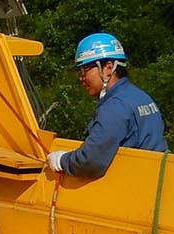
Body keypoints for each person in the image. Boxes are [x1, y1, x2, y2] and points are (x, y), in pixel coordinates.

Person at [47, 32, 167, 178]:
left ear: (108, 68)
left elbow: (90, 161)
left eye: (85, 70)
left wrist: (63, 161)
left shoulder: (115, 107)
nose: (81, 78)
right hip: (154, 180)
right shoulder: (140, 97)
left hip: (133, 187)